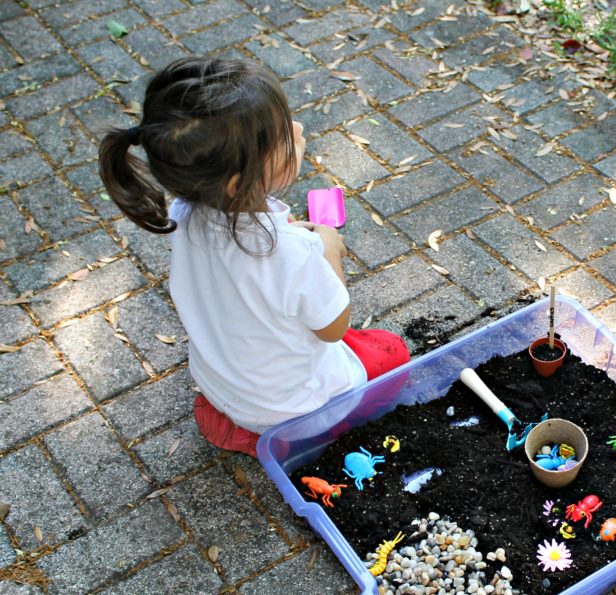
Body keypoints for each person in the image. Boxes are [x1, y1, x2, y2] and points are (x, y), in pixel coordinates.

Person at [98, 57, 410, 457]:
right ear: (236, 182)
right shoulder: (294, 253)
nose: (298, 130)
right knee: (391, 352)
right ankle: (312, 432)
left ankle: (236, 425)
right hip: (298, 409)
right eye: (284, 136)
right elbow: (332, 330)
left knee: (262, 368)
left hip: (225, 386)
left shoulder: (184, 212)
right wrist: (330, 251)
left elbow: (244, 271)